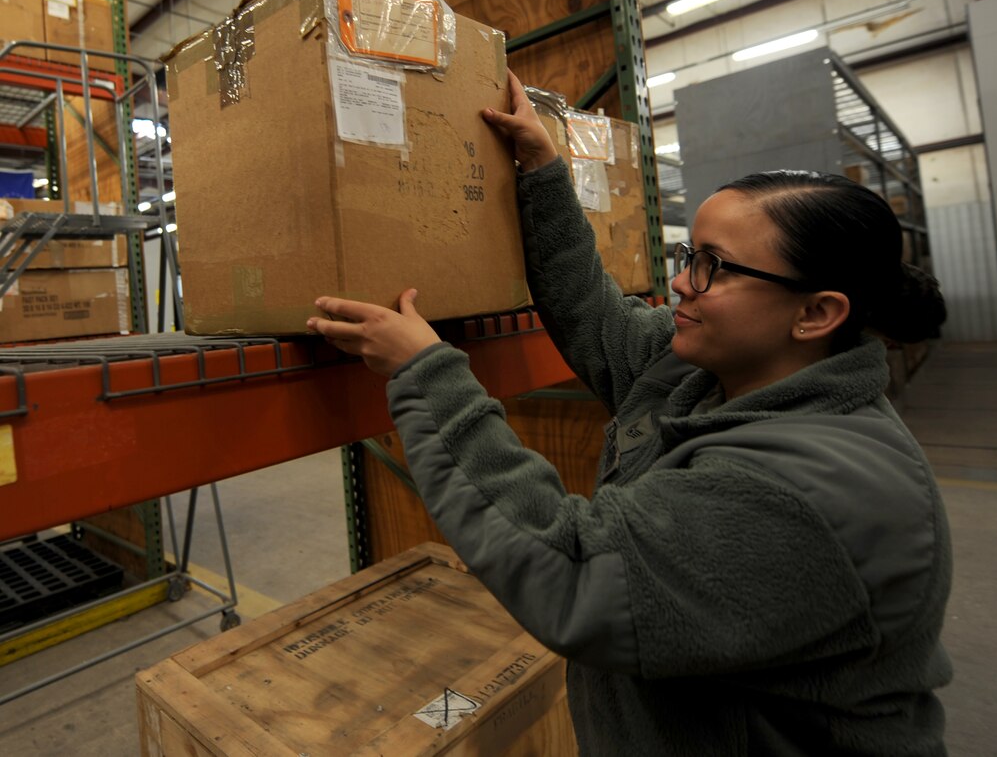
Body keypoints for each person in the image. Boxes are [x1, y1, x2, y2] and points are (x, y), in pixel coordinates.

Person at [306, 72, 953, 756]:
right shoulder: (713, 371)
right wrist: (541, 169)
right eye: (687, 256)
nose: (680, 281)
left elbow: (575, 571)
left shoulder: (811, 493)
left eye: (713, 267)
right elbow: (599, 320)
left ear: (817, 313)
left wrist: (424, 372)